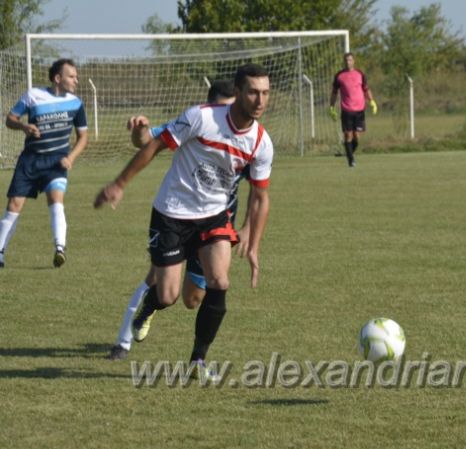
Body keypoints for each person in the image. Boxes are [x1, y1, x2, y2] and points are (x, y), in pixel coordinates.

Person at [95, 64, 272, 378]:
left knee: (220, 283)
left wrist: (253, 242)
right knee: (168, 295)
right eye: (253, 92)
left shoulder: (261, 142)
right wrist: (119, 184)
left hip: (214, 216)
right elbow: (153, 145)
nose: (260, 100)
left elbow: (260, 197)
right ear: (239, 92)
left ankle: (197, 363)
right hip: (172, 213)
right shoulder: (201, 118)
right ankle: (149, 308)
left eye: (265, 93)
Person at [0, 58, 88, 268]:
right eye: (72, 76)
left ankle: (60, 248)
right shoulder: (33, 96)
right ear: (58, 78)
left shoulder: (76, 103)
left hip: (56, 162)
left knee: (56, 199)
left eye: (76, 76)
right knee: (14, 205)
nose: (76, 80)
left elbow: (83, 137)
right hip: (30, 161)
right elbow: (10, 118)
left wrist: (71, 157)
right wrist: (23, 127)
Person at [329, 52, 377, 167]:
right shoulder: (339, 76)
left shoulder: (360, 74)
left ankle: (348, 152)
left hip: (360, 110)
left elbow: (366, 89)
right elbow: (334, 92)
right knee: (348, 135)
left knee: (357, 136)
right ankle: (351, 160)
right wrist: (331, 107)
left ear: (353, 61)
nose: (348, 62)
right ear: (344, 61)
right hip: (346, 109)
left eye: (350, 60)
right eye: (346, 60)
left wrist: (372, 101)